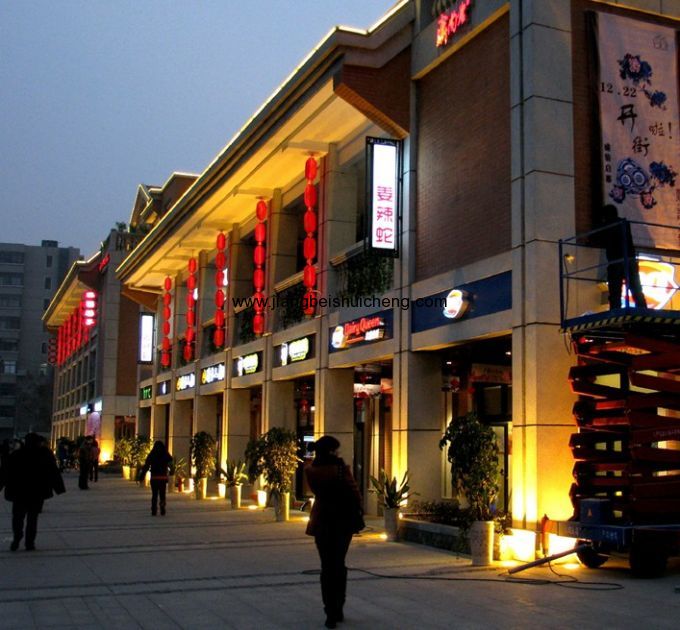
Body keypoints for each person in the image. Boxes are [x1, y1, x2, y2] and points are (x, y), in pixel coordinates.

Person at [305, 435, 363, 629]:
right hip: (342, 520)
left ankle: (329, 611)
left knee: (327, 566)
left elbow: (316, 490)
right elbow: (355, 492)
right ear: (331, 451)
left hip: (321, 520)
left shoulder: (311, 470)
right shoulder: (340, 469)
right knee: (339, 563)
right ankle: (338, 606)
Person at [0, 433, 65, 551]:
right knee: (33, 518)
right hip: (37, 493)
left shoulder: (16, 455)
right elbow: (53, 471)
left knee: (17, 517)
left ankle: (17, 537)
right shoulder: (44, 455)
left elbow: (5, 472)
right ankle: (29, 542)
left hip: (19, 492)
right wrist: (59, 488)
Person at [598, 204, 647, 310]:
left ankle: (615, 310)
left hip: (616, 261)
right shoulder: (624, 223)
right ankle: (643, 309)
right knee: (636, 289)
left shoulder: (608, 225)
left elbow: (600, 238)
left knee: (615, 291)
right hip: (630, 260)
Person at [140, 441, 173, 516]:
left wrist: (142, 475)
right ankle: (162, 508)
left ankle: (154, 509)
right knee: (162, 494)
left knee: (154, 494)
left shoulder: (152, 454)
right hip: (162, 478)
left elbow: (146, 465)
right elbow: (171, 462)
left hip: (154, 478)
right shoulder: (165, 454)